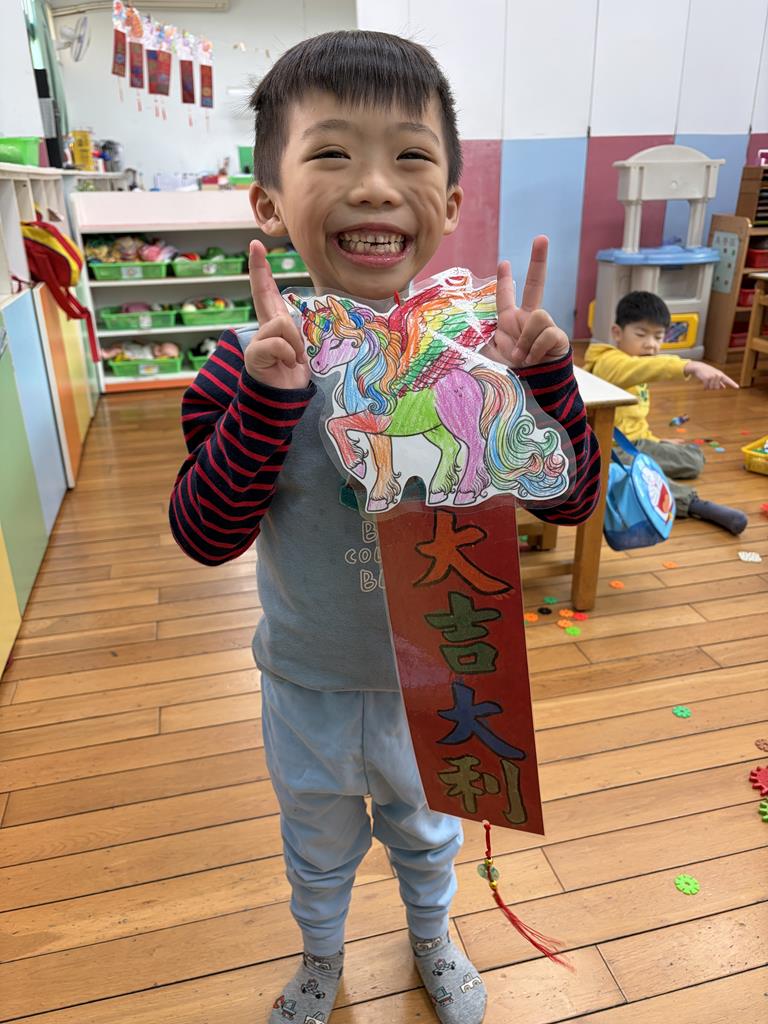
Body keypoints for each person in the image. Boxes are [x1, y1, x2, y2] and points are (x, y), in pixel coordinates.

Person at [169, 30, 600, 1024]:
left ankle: (432, 937)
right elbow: (205, 534)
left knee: (429, 830)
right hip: (307, 679)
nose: (372, 185)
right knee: (315, 842)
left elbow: (570, 503)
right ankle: (321, 955)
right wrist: (270, 400)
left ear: (447, 202)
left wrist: (544, 384)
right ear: (268, 203)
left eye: (409, 154)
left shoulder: (477, 357)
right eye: (331, 152)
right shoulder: (246, 361)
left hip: (438, 673)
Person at [584, 291, 747, 535]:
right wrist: (690, 365)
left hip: (637, 442)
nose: (651, 344)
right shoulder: (609, 362)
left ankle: (647, 466)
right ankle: (693, 504)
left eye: (658, 337)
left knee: (693, 459)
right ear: (617, 333)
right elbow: (643, 368)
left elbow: (635, 420)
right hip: (608, 448)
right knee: (635, 474)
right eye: (641, 334)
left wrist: (658, 441)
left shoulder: (639, 363)